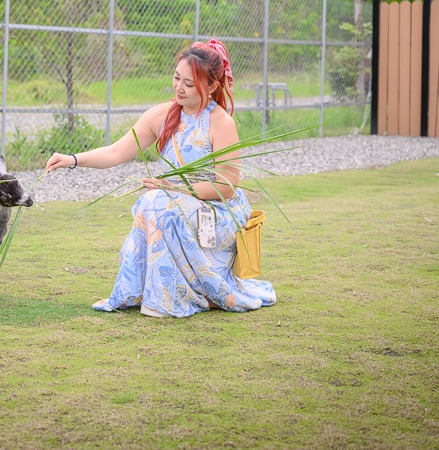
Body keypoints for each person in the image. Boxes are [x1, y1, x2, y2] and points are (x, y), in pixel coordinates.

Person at [45, 39, 276, 318]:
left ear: (212, 86)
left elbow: (226, 187)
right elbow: (117, 151)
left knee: (158, 203)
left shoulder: (221, 122)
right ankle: (149, 293)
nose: (179, 87)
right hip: (173, 200)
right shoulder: (163, 115)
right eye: (177, 78)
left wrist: (174, 186)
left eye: (189, 84)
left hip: (218, 211)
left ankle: (172, 297)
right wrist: (72, 159)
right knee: (153, 202)